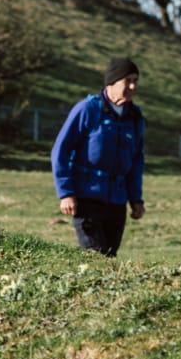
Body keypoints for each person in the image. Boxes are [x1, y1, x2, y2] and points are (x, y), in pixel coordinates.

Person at [51, 57, 146, 257]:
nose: (133, 86)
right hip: (87, 198)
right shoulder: (87, 110)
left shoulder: (135, 118)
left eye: (135, 81)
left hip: (117, 201)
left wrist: (136, 199)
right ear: (111, 82)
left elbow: (136, 162)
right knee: (95, 256)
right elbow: (61, 150)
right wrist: (66, 193)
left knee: (110, 256)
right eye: (127, 81)